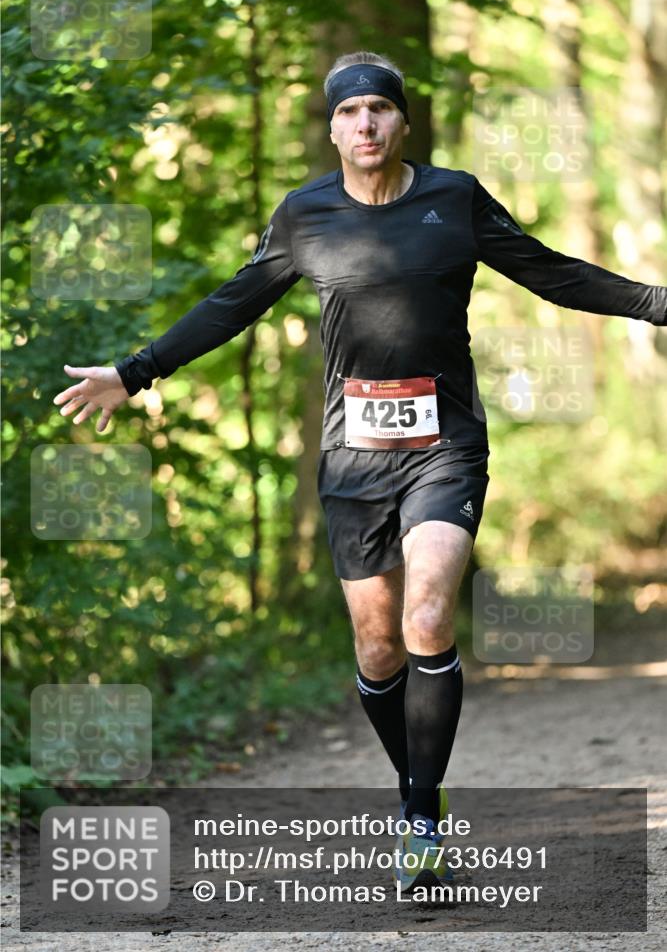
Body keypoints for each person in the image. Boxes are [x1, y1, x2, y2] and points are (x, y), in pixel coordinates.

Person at [54, 50, 667, 893]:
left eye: (379, 110)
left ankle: (418, 815)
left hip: (444, 445)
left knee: (425, 614)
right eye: (349, 114)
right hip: (352, 459)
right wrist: (133, 371)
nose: (365, 125)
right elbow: (232, 303)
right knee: (377, 650)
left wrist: (655, 302)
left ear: (401, 122)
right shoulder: (304, 217)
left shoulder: (453, 199)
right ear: (333, 127)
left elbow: (552, 272)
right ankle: (421, 784)